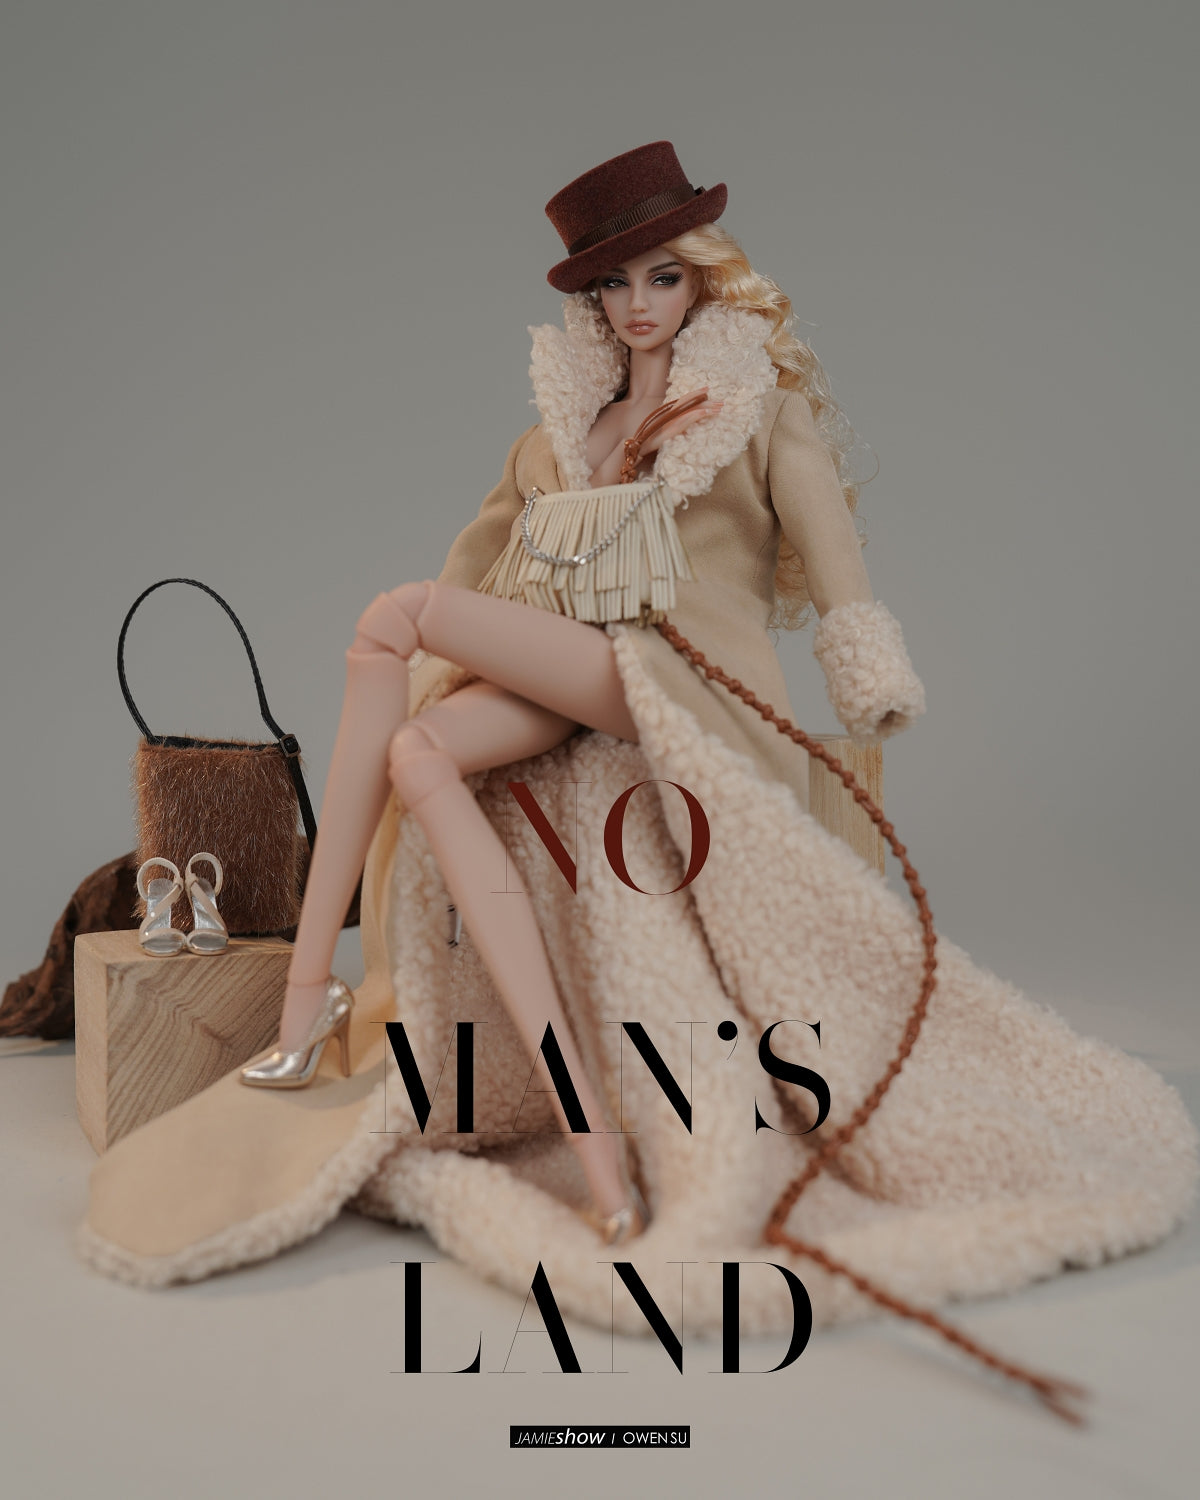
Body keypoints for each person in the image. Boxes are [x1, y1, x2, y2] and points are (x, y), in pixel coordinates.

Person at [236, 140, 924, 1245]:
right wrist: (465, 653)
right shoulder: (555, 436)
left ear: (704, 277)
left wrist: (868, 679)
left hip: (677, 678)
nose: (638, 303)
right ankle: (598, 1156)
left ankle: (304, 996)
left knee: (393, 615)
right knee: (418, 750)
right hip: (570, 666)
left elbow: (838, 564)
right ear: (590, 300)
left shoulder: (757, 411)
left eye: (663, 275)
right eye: (613, 282)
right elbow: (483, 569)